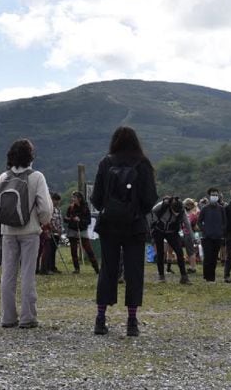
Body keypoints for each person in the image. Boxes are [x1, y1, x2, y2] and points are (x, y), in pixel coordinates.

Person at [91, 126, 158, 338]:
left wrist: (111, 208)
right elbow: (150, 198)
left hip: (109, 225)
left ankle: (100, 319)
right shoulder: (143, 163)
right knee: (134, 272)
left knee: (108, 270)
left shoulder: (106, 162)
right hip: (135, 225)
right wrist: (136, 211)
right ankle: (131, 320)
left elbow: (96, 197)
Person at [0, 138, 53, 329]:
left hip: (8, 231)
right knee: (27, 273)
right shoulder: (37, 177)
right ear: (30, 156)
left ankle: (8, 317)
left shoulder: (3, 177)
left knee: (8, 274)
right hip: (30, 231)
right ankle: (28, 317)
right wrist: (42, 222)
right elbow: (45, 208)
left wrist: (5, 221)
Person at [151, 195, 189, 284]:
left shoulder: (182, 211)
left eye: (178, 212)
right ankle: (161, 276)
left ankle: (184, 277)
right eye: (175, 211)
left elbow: (187, 223)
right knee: (160, 252)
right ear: (170, 207)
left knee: (179, 252)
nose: (176, 213)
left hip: (172, 232)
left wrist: (191, 236)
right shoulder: (162, 206)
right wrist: (151, 228)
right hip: (158, 230)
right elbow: (151, 214)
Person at [64, 190, 99, 274]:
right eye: (73, 197)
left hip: (82, 230)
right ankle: (76, 268)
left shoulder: (85, 208)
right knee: (73, 250)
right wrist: (72, 219)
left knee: (88, 249)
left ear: (79, 198)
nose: (73, 199)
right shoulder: (70, 207)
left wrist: (80, 220)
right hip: (72, 230)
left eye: (75, 197)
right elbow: (66, 218)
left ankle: (96, 268)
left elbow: (89, 221)